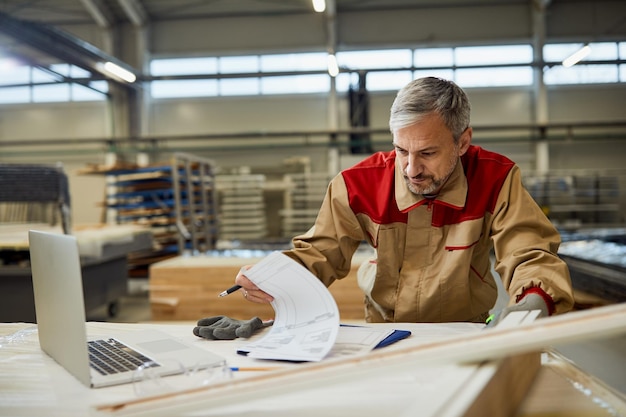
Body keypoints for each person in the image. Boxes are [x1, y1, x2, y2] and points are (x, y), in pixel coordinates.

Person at [235, 76, 574, 325]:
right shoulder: (357, 185)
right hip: (384, 333)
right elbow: (319, 252)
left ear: (462, 141)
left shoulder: (496, 179)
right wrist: (273, 276)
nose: (411, 169)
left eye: (427, 152)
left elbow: (529, 251)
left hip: (465, 331)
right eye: (401, 150)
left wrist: (533, 301)